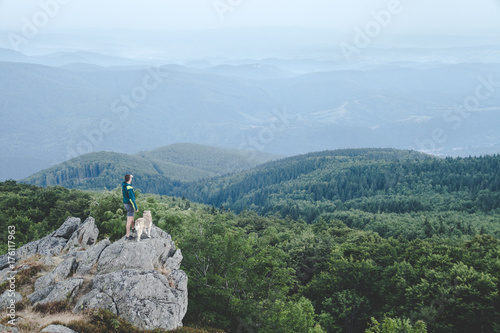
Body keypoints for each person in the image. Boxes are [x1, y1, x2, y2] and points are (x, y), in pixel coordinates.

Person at [122, 174, 138, 240]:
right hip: (129, 204)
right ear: (129, 179)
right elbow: (132, 199)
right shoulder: (129, 188)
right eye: (131, 178)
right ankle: (127, 235)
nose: (131, 179)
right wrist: (136, 207)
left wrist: (129, 176)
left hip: (125, 203)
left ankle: (133, 228)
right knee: (129, 220)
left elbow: (126, 179)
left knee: (132, 216)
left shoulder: (124, 184)